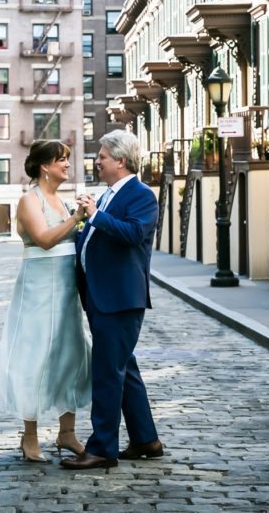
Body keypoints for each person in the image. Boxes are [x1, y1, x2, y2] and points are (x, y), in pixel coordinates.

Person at [61, 130, 163, 470]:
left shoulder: (142, 195)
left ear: (120, 160)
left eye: (102, 156)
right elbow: (91, 241)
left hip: (120, 299)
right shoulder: (106, 195)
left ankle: (103, 447)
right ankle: (146, 439)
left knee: (108, 373)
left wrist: (95, 216)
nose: (97, 161)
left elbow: (133, 234)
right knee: (124, 367)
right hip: (100, 297)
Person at [0, 140, 92, 462]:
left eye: (67, 158)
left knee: (71, 355)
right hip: (38, 289)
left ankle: (67, 433)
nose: (67, 164)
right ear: (44, 166)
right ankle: (30, 437)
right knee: (34, 357)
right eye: (61, 159)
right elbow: (45, 240)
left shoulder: (63, 202)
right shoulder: (29, 201)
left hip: (66, 292)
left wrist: (88, 218)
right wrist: (77, 217)